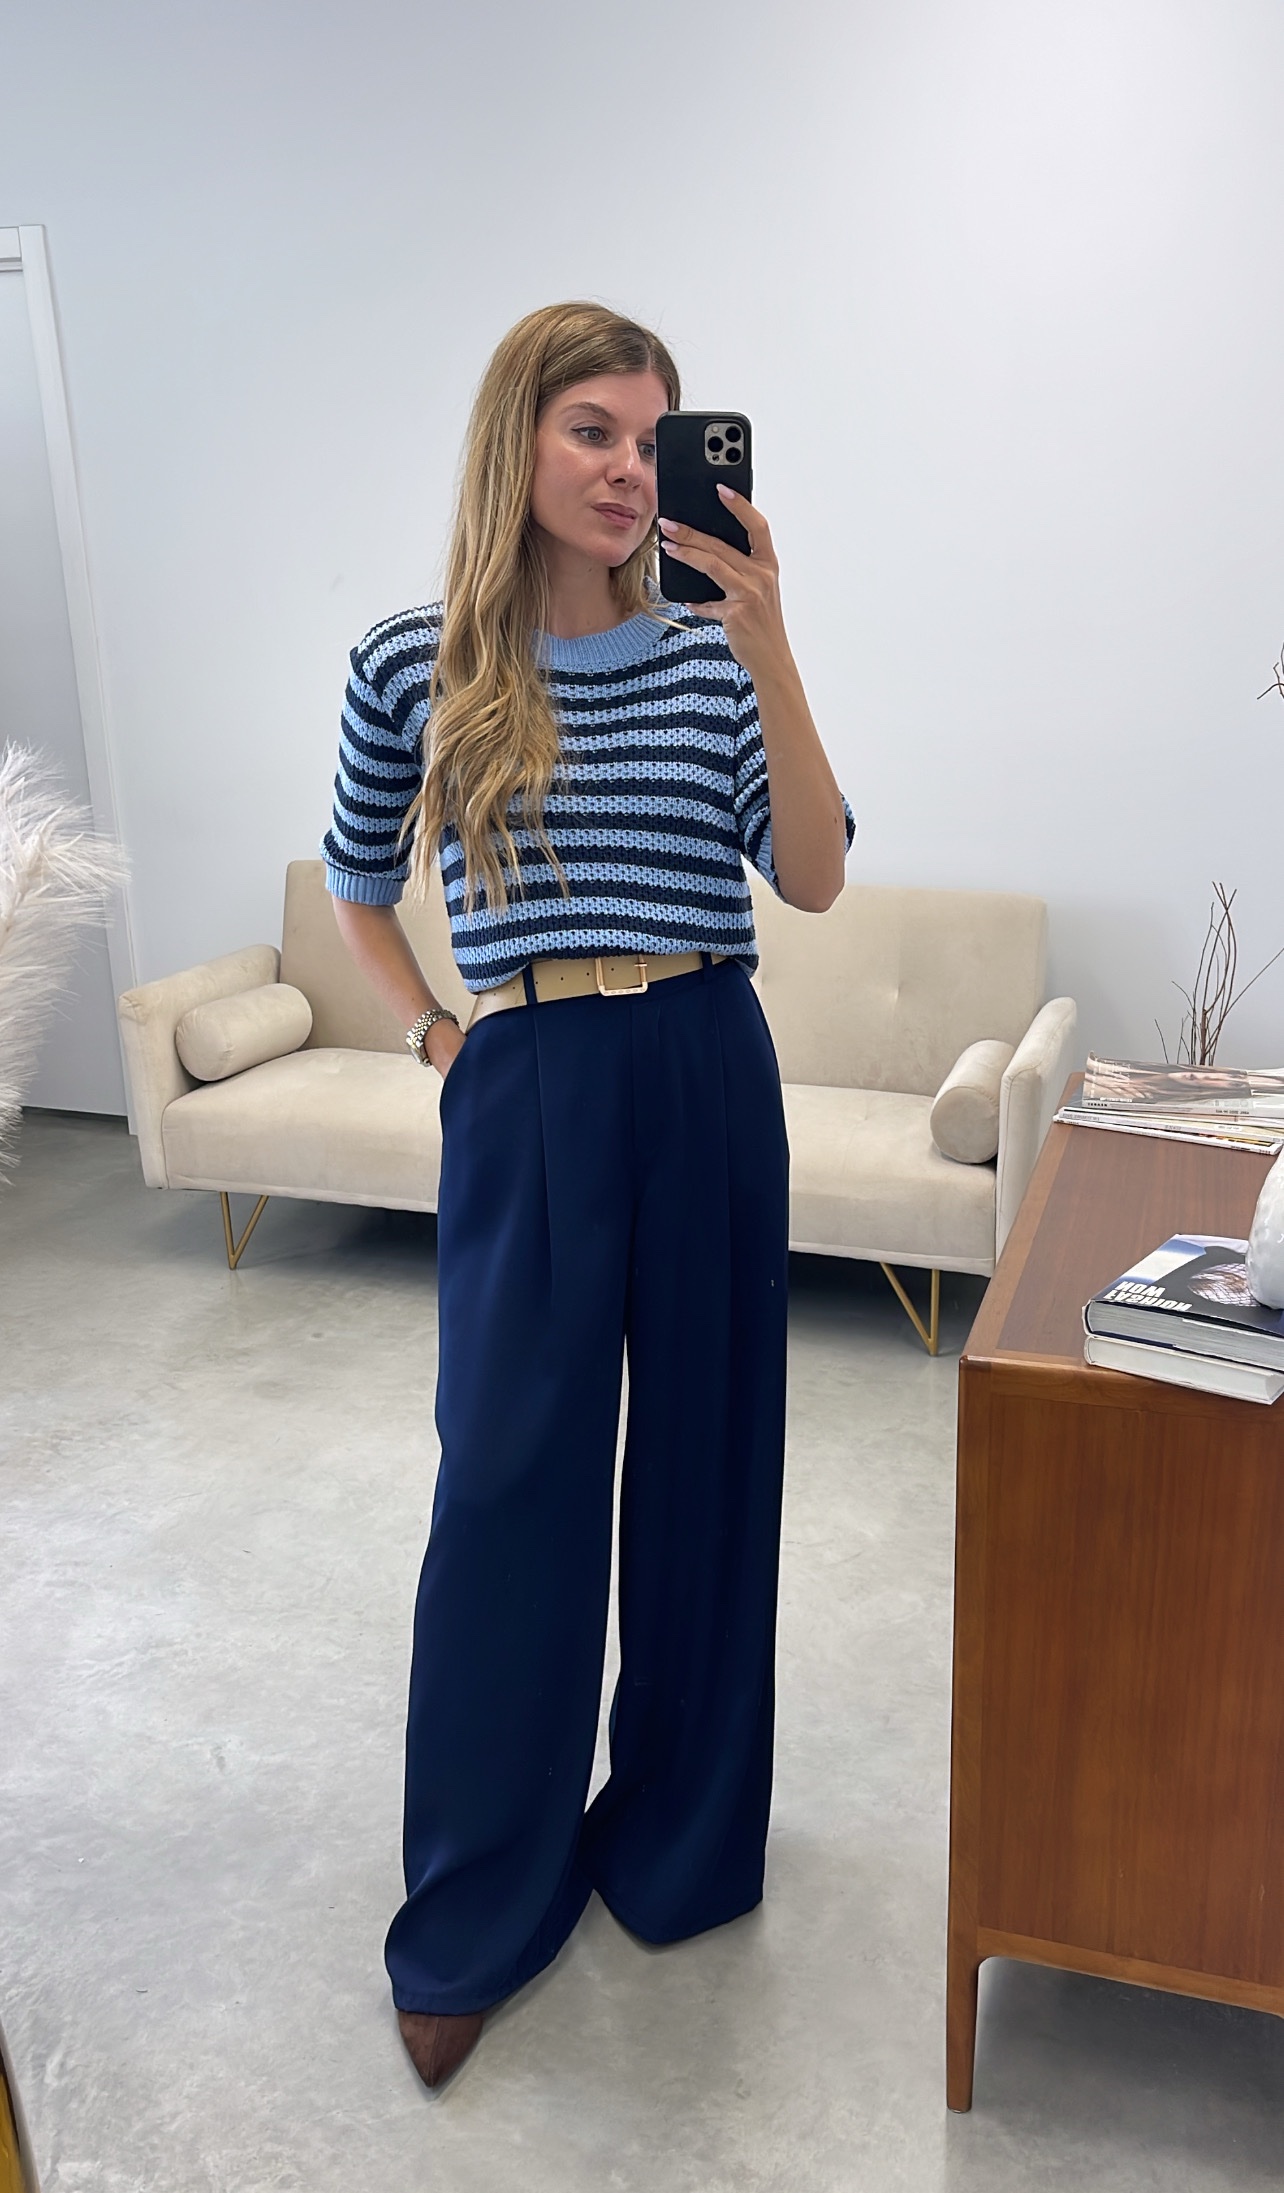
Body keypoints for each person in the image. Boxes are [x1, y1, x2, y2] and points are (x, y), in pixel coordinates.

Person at [323, 301, 854, 2091]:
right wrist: (436, 1038)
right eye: (596, 432)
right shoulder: (411, 661)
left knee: (708, 1467)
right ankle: (482, 1896)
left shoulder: (711, 656)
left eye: (653, 437)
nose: (632, 469)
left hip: (705, 1063)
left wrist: (772, 646)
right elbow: (355, 881)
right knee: (506, 1490)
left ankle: (679, 1842)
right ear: (520, 443)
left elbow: (815, 876)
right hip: (528, 1081)